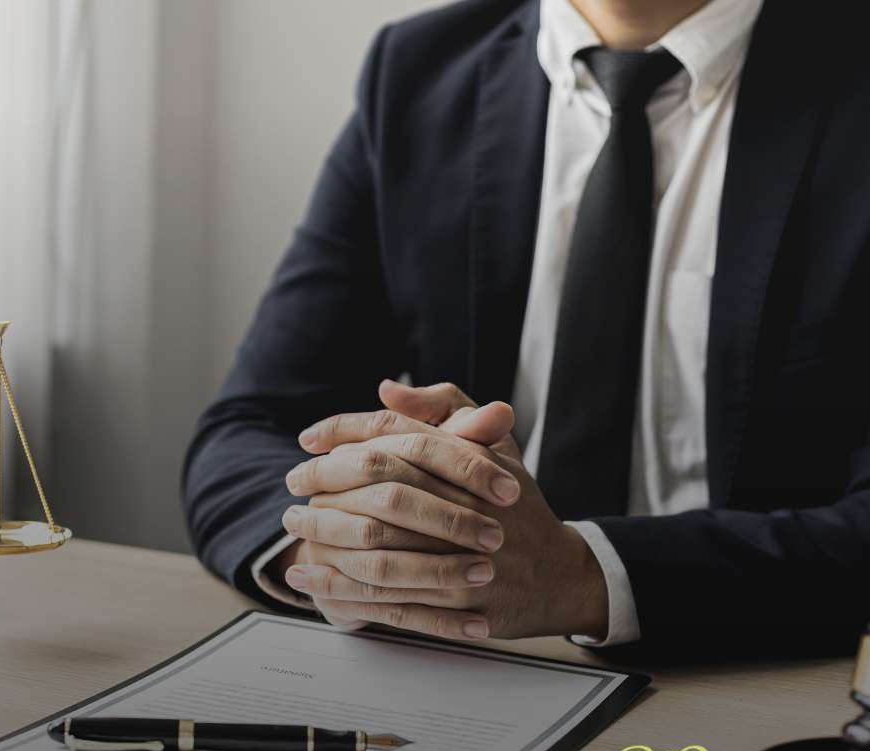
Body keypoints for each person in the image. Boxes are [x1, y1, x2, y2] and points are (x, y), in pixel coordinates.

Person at [182, 0, 870, 660]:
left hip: (769, 680)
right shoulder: (419, 70)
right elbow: (248, 429)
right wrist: (345, 548)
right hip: (461, 660)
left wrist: (584, 577)